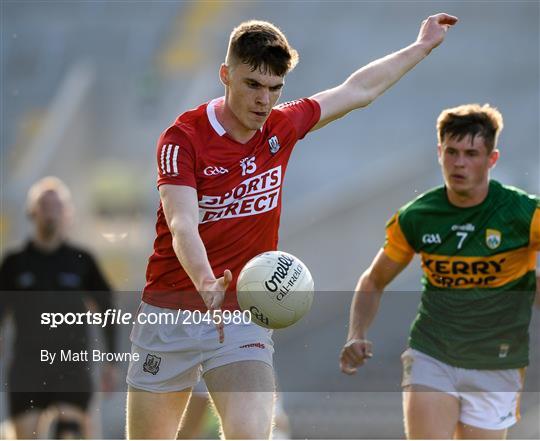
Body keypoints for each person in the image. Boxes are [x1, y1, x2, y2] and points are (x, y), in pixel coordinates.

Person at [126, 14, 458, 439]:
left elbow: (358, 90)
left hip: (241, 316)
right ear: (225, 75)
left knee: (253, 434)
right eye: (252, 85)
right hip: (171, 313)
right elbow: (181, 222)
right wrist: (205, 280)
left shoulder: (281, 125)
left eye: (274, 88)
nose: (264, 100)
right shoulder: (184, 138)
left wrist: (422, 46)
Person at [340, 104, 540, 439]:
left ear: (492, 159)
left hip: (498, 361)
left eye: (471, 153)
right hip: (432, 353)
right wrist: (355, 333)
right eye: (452, 151)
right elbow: (374, 279)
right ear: (439, 152)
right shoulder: (417, 216)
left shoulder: (524, 213)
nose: (459, 163)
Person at [0, 177, 117, 439]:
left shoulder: (82, 261)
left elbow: (108, 307)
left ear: (67, 212)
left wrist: (110, 359)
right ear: (33, 211)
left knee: (70, 432)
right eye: (44, 204)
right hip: (27, 366)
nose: (50, 210)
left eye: (57, 204)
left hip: (71, 365)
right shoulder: (14, 264)